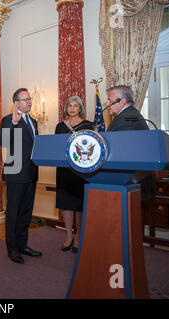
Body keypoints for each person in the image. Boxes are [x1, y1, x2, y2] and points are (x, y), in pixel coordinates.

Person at [0, 88, 42, 264]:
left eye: (30, 99)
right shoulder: (8, 120)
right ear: (16, 103)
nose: (29, 102)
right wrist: (15, 124)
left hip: (31, 174)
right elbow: (4, 140)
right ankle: (12, 249)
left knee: (26, 212)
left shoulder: (33, 121)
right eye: (25, 99)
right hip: (15, 174)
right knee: (13, 213)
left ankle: (23, 244)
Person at [55, 96, 93, 253]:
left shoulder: (88, 125)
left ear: (80, 108)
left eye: (75, 106)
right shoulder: (60, 127)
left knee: (79, 205)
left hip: (80, 171)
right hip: (64, 170)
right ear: (66, 108)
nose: (72, 108)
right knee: (66, 205)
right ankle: (68, 236)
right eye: (69, 105)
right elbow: (56, 146)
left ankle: (78, 237)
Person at [106, 85, 156, 200]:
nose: (106, 103)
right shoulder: (130, 115)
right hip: (135, 184)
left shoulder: (125, 120)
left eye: (109, 99)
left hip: (130, 185)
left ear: (122, 101)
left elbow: (119, 156)